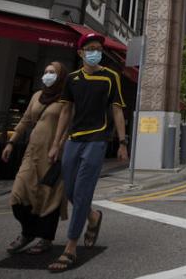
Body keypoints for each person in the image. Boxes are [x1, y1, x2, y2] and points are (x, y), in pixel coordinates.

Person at [47, 32, 128, 273]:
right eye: (90, 48)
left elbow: (116, 111)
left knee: (82, 191)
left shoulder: (111, 77)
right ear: (81, 53)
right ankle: (93, 217)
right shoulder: (72, 79)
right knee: (70, 190)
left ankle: (70, 247)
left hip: (98, 139)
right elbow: (65, 112)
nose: (95, 52)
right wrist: (56, 143)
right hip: (74, 140)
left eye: (98, 49)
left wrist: (122, 142)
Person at [1, 61, 69, 254]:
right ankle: (28, 232)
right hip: (32, 153)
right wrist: (11, 142)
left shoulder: (66, 98)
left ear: (61, 76)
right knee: (18, 194)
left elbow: (68, 127)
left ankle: (45, 238)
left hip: (53, 155)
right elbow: (25, 121)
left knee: (49, 197)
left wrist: (58, 146)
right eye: (46, 71)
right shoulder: (37, 96)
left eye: (52, 72)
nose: (48, 75)